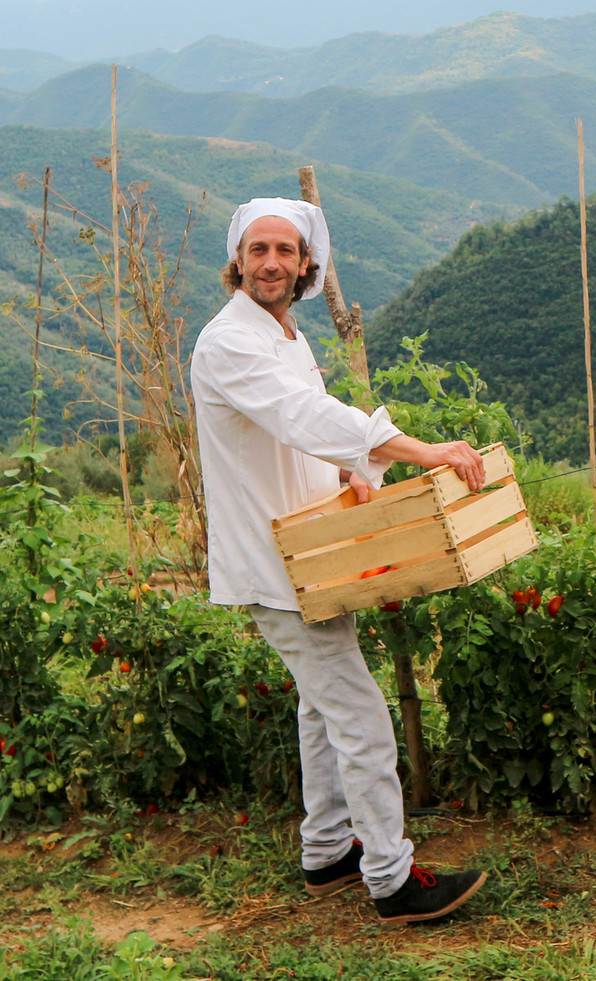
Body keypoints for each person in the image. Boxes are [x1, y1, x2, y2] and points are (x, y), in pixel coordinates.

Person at [190, 196, 487, 926]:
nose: (270, 262)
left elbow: (302, 434)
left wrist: (353, 474)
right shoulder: (228, 342)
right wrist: (420, 449)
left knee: (321, 710)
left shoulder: (287, 337)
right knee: (359, 714)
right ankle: (391, 878)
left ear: (305, 266)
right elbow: (307, 417)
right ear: (237, 262)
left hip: (312, 552)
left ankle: (327, 850)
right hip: (275, 563)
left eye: (285, 251)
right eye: (258, 249)